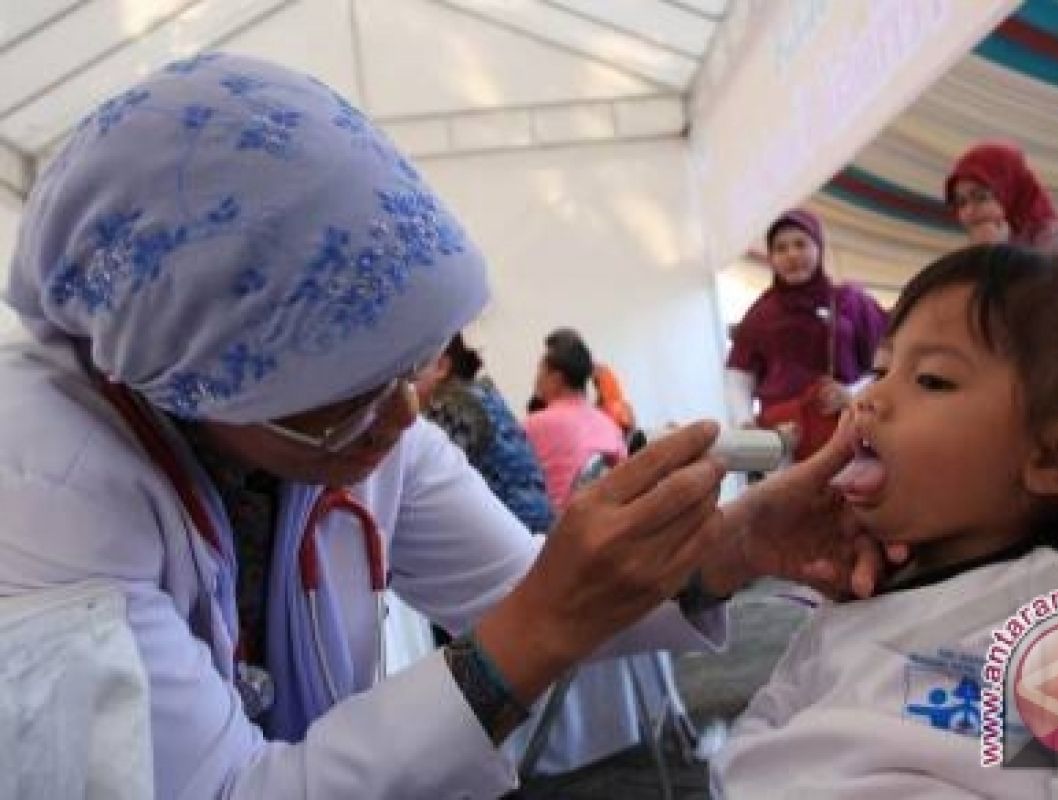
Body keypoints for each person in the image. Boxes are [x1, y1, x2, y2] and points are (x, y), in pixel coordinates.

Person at [0, 54, 899, 799]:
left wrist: (739, 543)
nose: (402, 413)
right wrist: (532, 632)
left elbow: (527, 587)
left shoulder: (360, 436)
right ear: (189, 368)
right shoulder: (42, 483)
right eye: (349, 385)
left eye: (416, 364)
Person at [712, 245, 1058, 798]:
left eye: (932, 380)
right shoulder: (856, 593)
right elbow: (768, 720)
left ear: (1056, 456)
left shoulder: (1054, 623)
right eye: (880, 369)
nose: (870, 399)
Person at [725, 208, 888, 459]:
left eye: (801, 244)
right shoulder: (762, 312)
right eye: (780, 248)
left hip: (844, 429)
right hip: (784, 440)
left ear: (819, 248)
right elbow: (738, 373)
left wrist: (852, 394)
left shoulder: (851, 302)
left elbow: (887, 361)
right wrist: (746, 426)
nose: (791, 255)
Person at [415, 333, 556, 533]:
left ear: (441, 366)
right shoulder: (481, 394)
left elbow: (428, 483)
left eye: (412, 371)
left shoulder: (451, 407)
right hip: (534, 524)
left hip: (511, 527)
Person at [525, 328, 628, 509]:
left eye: (540, 369)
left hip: (558, 530)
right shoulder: (610, 426)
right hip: (612, 523)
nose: (536, 378)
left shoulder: (533, 426)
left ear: (556, 379)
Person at [946, 141, 1058, 256]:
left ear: (1012, 191)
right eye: (961, 202)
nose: (969, 211)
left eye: (981, 197)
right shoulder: (997, 237)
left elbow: (1045, 290)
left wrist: (995, 253)